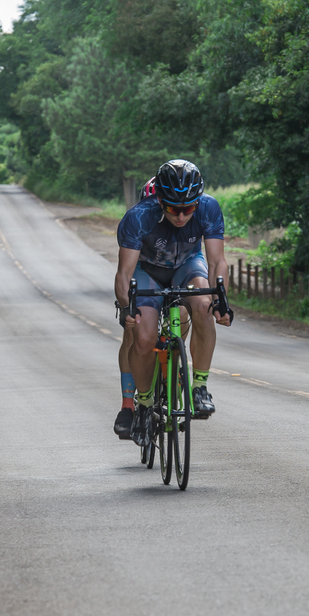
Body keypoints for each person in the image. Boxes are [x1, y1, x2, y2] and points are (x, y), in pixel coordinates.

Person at [114, 160, 233, 443]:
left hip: (187, 265)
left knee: (203, 304)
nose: (180, 216)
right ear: (160, 201)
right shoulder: (139, 216)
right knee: (143, 337)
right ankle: (144, 404)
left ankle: (199, 388)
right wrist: (127, 307)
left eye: (188, 209)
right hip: (147, 271)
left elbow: (217, 262)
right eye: (173, 209)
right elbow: (124, 273)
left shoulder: (208, 207)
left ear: (197, 202)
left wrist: (221, 301)